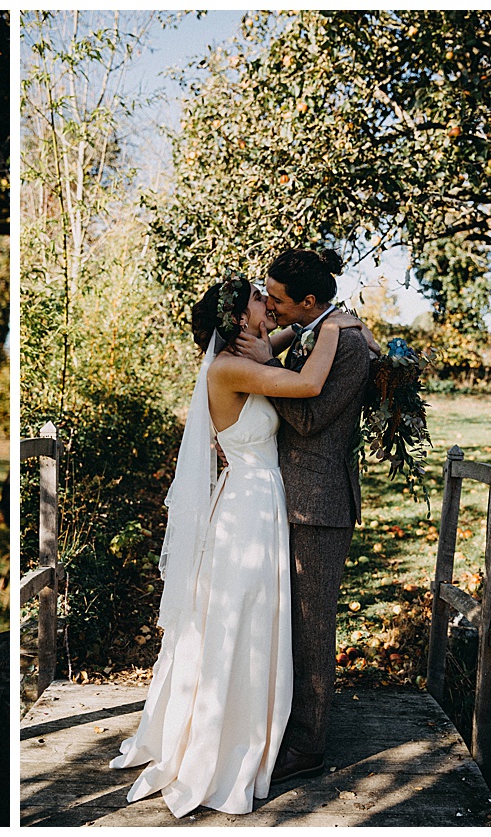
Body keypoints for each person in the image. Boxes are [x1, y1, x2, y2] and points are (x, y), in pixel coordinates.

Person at [111, 275, 363, 816]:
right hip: (248, 509)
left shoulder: (250, 351)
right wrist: (338, 328)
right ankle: (222, 741)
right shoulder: (229, 368)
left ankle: (259, 729)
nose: (268, 305)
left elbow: (285, 340)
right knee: (241, 621)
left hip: (264, 503)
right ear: (237, 317)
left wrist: (298, 329)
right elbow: (311, 384)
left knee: (258, 620)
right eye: (258, 299)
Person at [233, 248, 375, 784]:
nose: (269, 303)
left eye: (277, 298)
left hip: (319, 504)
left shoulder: (348, 342)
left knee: (312, 626)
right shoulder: (316, 329)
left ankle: (310, 746)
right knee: (286, 622)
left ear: (308, 301)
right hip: (287, 498)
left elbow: (312, 419)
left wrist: (266, 372)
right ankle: (282, 725)